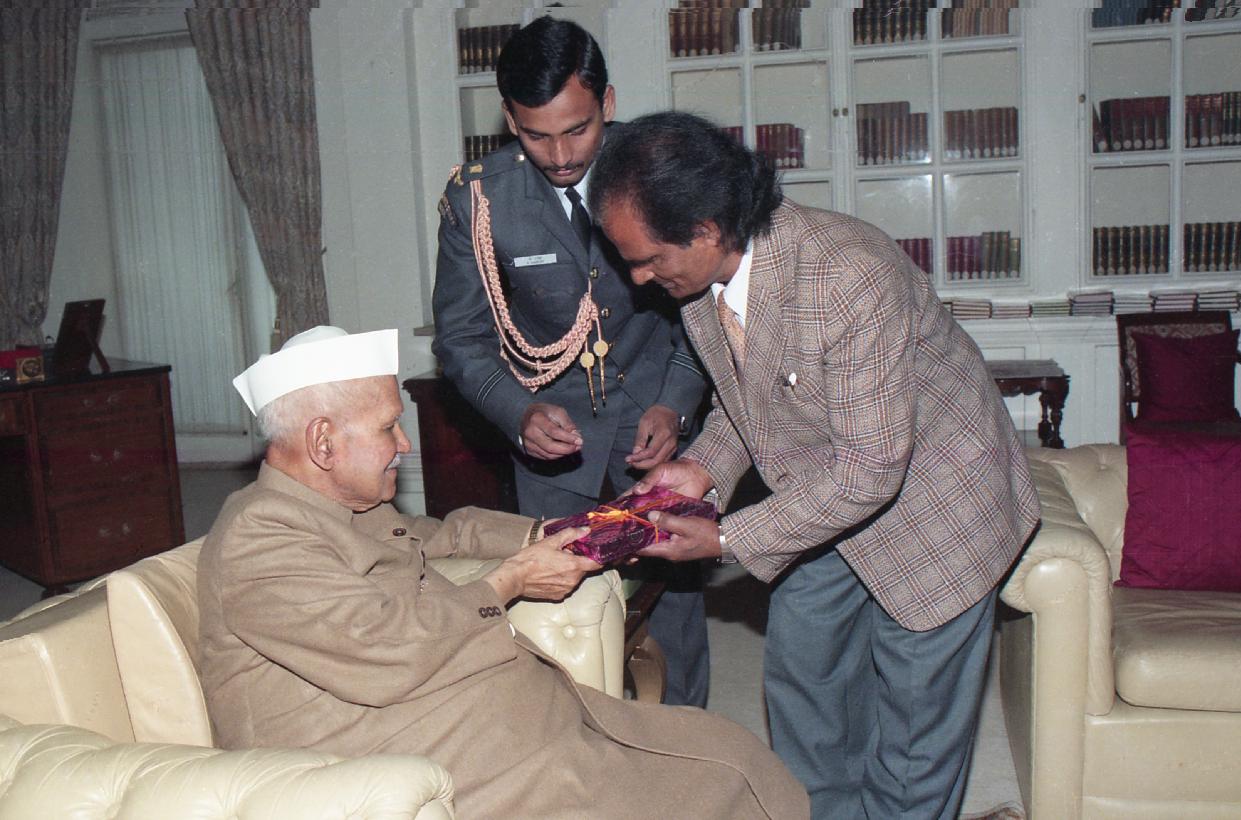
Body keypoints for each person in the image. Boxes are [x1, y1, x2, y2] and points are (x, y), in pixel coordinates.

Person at [588, 112, 1041, 820]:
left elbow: (870, 472)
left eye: (647, 259)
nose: (638, 278)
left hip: (936, 506)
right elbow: (752, 400)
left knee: (913, 743)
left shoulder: (847, 276)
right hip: (821, 492)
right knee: (805, 681)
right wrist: (702, 468)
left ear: (706, 229)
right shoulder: (702, 285)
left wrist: (727, 538)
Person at [199, 325, 808, 819]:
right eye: (388, 428)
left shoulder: (334, 505)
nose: (404, 445)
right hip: (415, 763)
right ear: (323, 442)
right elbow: (383, 649)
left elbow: (440, 535)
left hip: (485, 728)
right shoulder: (260, 535)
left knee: (726, 750)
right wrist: (509, 580)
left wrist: (554, 531)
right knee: (716, 786)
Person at [431, 17, 711, 707]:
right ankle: (586, 742)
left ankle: (683, 738)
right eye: (536, 135)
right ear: (509, 119)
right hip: (555, 434)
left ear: (607, 104)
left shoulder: (660, 174)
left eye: (577, 129)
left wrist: (675, 402)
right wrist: (517, 412)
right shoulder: (480, 200)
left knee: (673, 600)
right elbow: (460, 338)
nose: (559, 155)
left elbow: (705, 306)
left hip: (654, 414)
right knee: (563, 610)